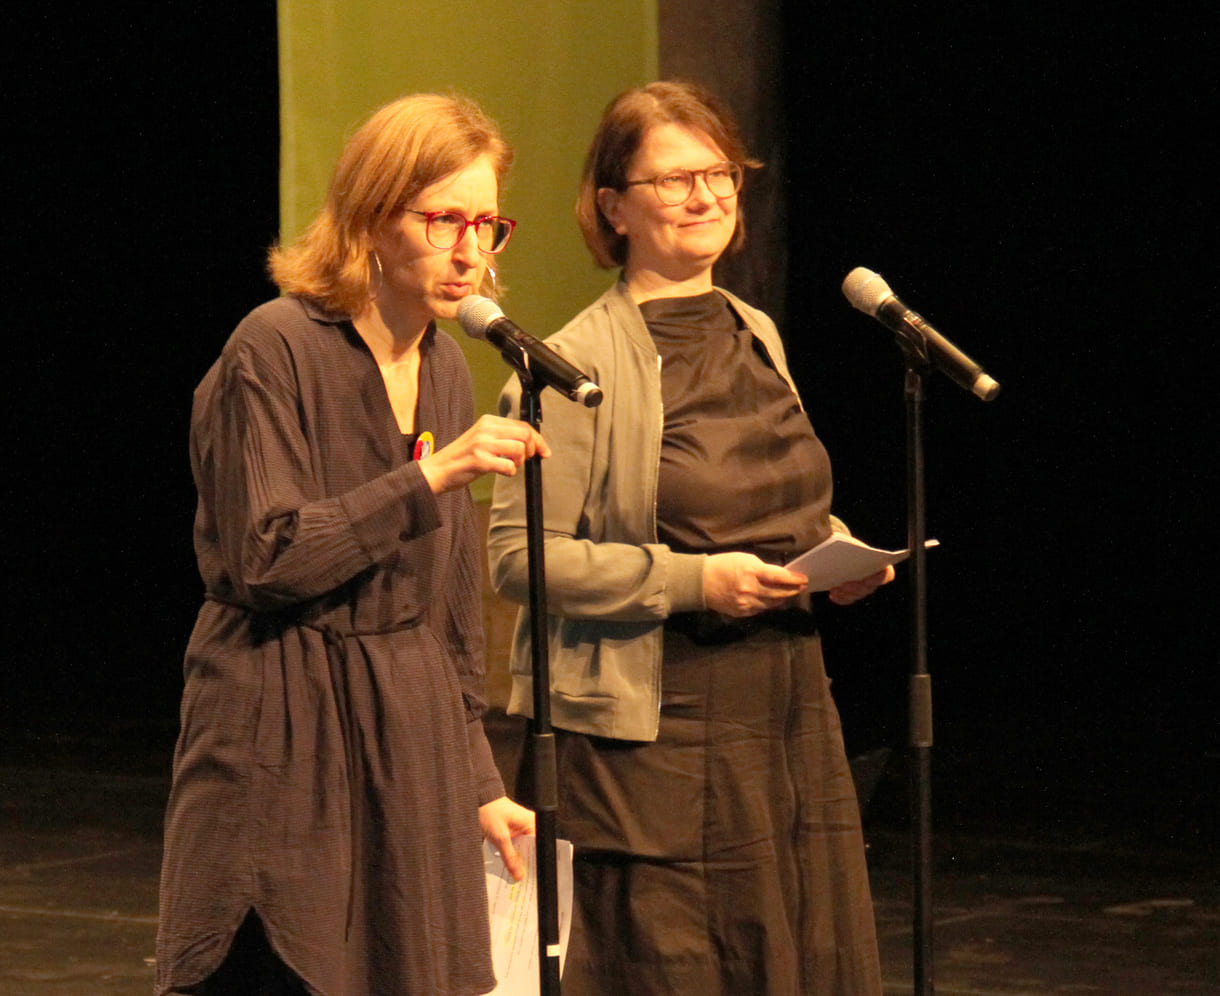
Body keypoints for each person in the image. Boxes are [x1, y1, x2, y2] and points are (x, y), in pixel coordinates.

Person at [487, 80, 890, 995]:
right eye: (676, 180)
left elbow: (763, 495)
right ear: (613, 206)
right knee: (685, 964)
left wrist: (834, 552)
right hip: (660, 734)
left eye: (720, 173)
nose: (707, 196)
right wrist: (695, 583)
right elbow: (521, 559)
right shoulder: (573, 366)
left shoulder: (755, 331)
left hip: (784, 706)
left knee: (794, 950)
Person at [156, 93, 549, 996]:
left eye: (487, 224)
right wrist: (426, 480)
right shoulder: (276, 346)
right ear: (372, 217)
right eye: (443, 218)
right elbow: (267, 556)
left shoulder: (448, 367)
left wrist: (480, 778)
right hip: (281, 719)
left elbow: (448, 607)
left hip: (403, 732)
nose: (470, 250)